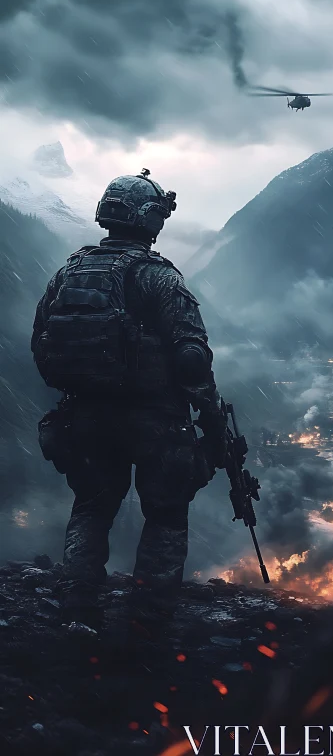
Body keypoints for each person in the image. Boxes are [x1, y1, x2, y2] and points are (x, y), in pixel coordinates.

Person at [31, 169, 227, 631]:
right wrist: (210, 416)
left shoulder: (68, 273)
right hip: (154, 420)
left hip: (85, 415)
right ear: (149, 220)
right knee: (165, 513)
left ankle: (78, 606)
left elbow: (41, 342)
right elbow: (192, 357)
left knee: (92, 505)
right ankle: (149, 618)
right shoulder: (156, 277)